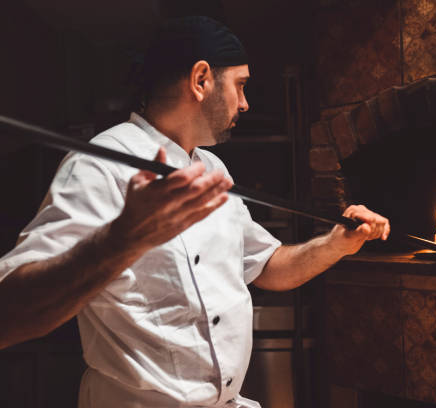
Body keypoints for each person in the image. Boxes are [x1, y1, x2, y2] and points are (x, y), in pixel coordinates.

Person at [0, 16, 390, 408]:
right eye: (241, 85)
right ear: (201, 79)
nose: (245, 103)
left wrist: (337, 244)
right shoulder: (100, 165)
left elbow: (267, 265)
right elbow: (11, 313)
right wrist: (122, 240)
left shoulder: (212, 168)